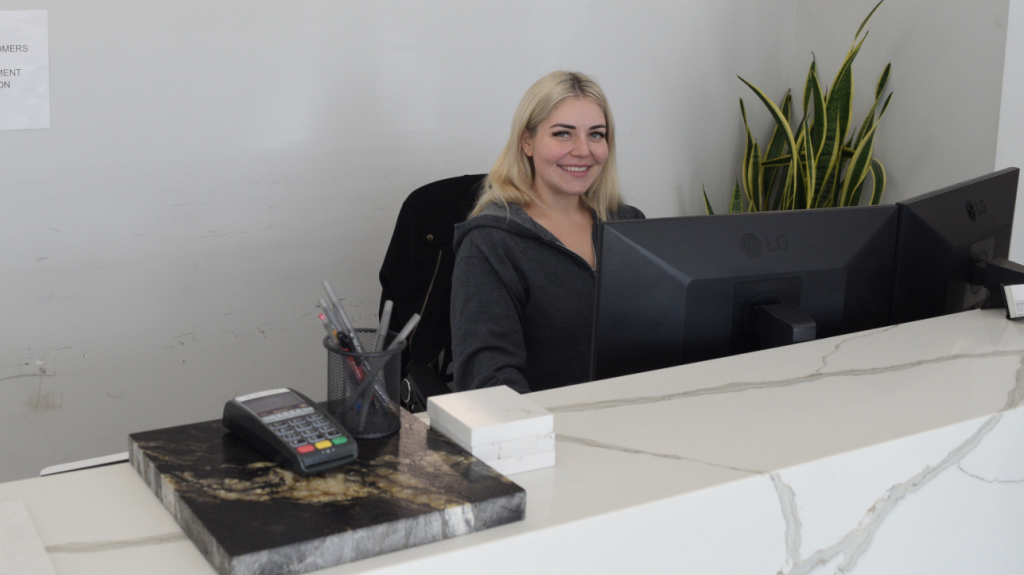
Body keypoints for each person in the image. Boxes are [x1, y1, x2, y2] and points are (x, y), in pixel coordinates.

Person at [451, 71, 645, 393]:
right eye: (563, 134)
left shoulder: (628, 224)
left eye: (596, 134)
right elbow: (488, 381)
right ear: (527, 141)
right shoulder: (489, 243)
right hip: (547, 419)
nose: (583, 150)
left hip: (637, 409)